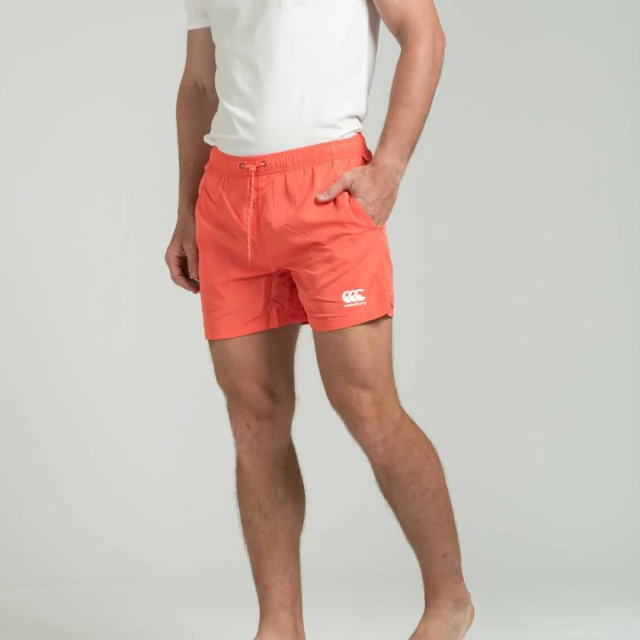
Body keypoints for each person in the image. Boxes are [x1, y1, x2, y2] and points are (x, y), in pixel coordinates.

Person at [165, 0, 473, 638]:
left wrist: (389, 167)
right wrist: (186, 209)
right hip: (227, 197)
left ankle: (449, 604)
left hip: (326, 185)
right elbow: (198, 81)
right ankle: (280, 626)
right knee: (254, 418)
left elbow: (423, 32)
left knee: (366, 404)